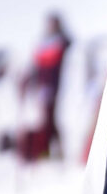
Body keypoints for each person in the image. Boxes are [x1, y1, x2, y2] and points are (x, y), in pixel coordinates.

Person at [17, 12, 71, 162]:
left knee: (52, 119)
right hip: (43, 89)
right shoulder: (44, 43)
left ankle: (56, 151)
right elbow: (36, 67)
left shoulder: (63, 43)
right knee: (46, 120)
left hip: (56, 89)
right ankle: (46, 151)